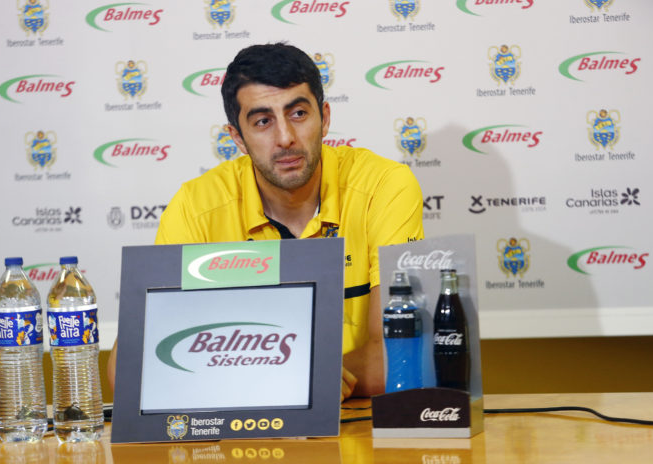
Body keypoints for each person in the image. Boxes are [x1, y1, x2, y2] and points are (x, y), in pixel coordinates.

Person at [107, 42, 424, 401]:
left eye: (299, 114)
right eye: (262, 122)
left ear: (325, 118)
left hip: (357, 426)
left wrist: (287, 381)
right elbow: (128, 373)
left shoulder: (384, 187)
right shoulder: (196, 207)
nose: (285, 138)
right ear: (237, 138)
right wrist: (298, 380)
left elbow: (402, 354)